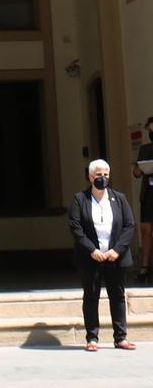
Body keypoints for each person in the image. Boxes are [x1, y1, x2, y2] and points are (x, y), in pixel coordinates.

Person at [68, 159, 137, 352]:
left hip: (116, 257)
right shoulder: (79, 199)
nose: (103, 178)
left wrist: (117, 250)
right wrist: (92, 250)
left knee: (117, 296)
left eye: (106, 174)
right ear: (90, 177)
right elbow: (76, 228)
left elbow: (129, 226)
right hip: (91, 258)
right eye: (99, 174)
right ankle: (92, 337)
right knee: (91, 296)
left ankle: (121, 337)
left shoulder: (119, 198)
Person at [132, 117, 153, 284]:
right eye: (150, 130)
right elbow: (137, 173)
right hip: (148, 193)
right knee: (146, 229)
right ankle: (145, 267)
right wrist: (144, 166)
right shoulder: (145, 149)